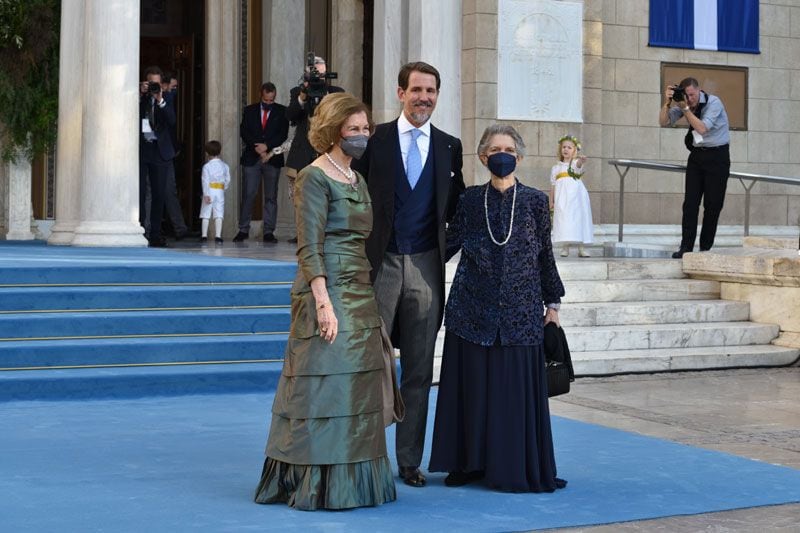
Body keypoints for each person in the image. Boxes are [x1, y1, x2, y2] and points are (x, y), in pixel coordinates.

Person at [254, 92, 396, 510]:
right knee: (322, 387)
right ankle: (316, 482)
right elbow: (308, 246)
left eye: (366, 129)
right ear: (334, 131)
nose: (362, 136)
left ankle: (355, 479)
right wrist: (322, 302)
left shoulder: (356, 177)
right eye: (354, 129)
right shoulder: (313, 177)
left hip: (359, 289)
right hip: (326, 288)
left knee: (354, 385)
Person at [428, 124, 567, 493]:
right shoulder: (471, 200)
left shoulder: (536, 201)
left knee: (512, 393)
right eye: (494, 149)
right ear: (483, 157)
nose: (501, 155)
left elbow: (545, 255)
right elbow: (448, 245)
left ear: (519, 157)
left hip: (521, 312)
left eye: (508, 149)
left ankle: (512, 465)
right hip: (471, 310)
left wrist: (553, 305)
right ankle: (466, 463)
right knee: (470, 391)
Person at [353, 61, 465, 488]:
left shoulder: (449, 147)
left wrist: (441, 253)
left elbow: (457, 211)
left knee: (418, 369)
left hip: (426, 269)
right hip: (377, 266)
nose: (424, 98)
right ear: (400, 93)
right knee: (369, 364)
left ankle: (408, 461)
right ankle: (364, 453)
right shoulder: (374, 139)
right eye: (416, 90)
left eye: (431, 91)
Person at [659, 77, 731, 259]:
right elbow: (663, 122)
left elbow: (702, 128)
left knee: (712, 205)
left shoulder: (714, 103)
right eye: (687, 95)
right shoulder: (684, 102)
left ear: (699, 91)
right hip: (697, 157)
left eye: (692, 95)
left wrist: (685, 108)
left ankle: (705, 249)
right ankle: (686, 248)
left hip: (718, 156)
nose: (690, 99)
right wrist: (667, 102)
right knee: (690, 204)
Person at [284, 56, 344, 243]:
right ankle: (304, 233)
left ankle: (326, 232)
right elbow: (290, 115)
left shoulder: (336, 92)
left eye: (322, 75)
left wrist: (327, 101)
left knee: (329, 194)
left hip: (328, 151)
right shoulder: (298, 92)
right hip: (303, 153)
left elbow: (341, 116)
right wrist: (302, 97)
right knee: (302, 196)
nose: (318, 80)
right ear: (306, 76)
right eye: (314, 75)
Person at [234, 82, 290, 244]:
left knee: (271, 196)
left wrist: (268, 147)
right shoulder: (250, 110)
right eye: (266, 100)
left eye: (271, 100)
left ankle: (268, 232)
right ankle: (243, 229)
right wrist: (256, 147)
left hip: (272, 159)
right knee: (249, 194)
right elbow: (244, 131)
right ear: (261, 95)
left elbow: (282, 134)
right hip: (252, 157)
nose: (268, 103)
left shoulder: (282, 111)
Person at [139, 65, 176, 248]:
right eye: (150, 83)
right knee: (139, 193)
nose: (153, 87)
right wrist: (139, 94)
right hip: (142, 150)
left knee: (159, 194)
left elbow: (172, 120)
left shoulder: (168, 97)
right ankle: (139, 231)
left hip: (160, 152)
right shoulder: (139, 97)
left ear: (161, 84)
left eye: (156, 84)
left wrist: (160, 99)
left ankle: (155, 234)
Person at [550, 134, 593, 257]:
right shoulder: (556, 168)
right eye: (564, 147)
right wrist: (551, 201)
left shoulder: (574, 164)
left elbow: (579, 165)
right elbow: (553, 185)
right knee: (564, 220)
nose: (566, 149)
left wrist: (581, 160)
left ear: (574, 150)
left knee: (579, 219)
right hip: (562, 198)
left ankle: (581, 247)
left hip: (577, 197)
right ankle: (565, 247)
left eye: (569, 147)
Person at [199, 140, 230, 245]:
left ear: (207, 153)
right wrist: (223, 188)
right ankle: (218, 236)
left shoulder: (207, 167)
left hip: (210, 189)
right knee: (219, 213)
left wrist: (206, 194)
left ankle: (204, 235)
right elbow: (227, 180)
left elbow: (205, 180)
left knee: (206, 213)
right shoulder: (225, 166)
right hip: (219, 190)